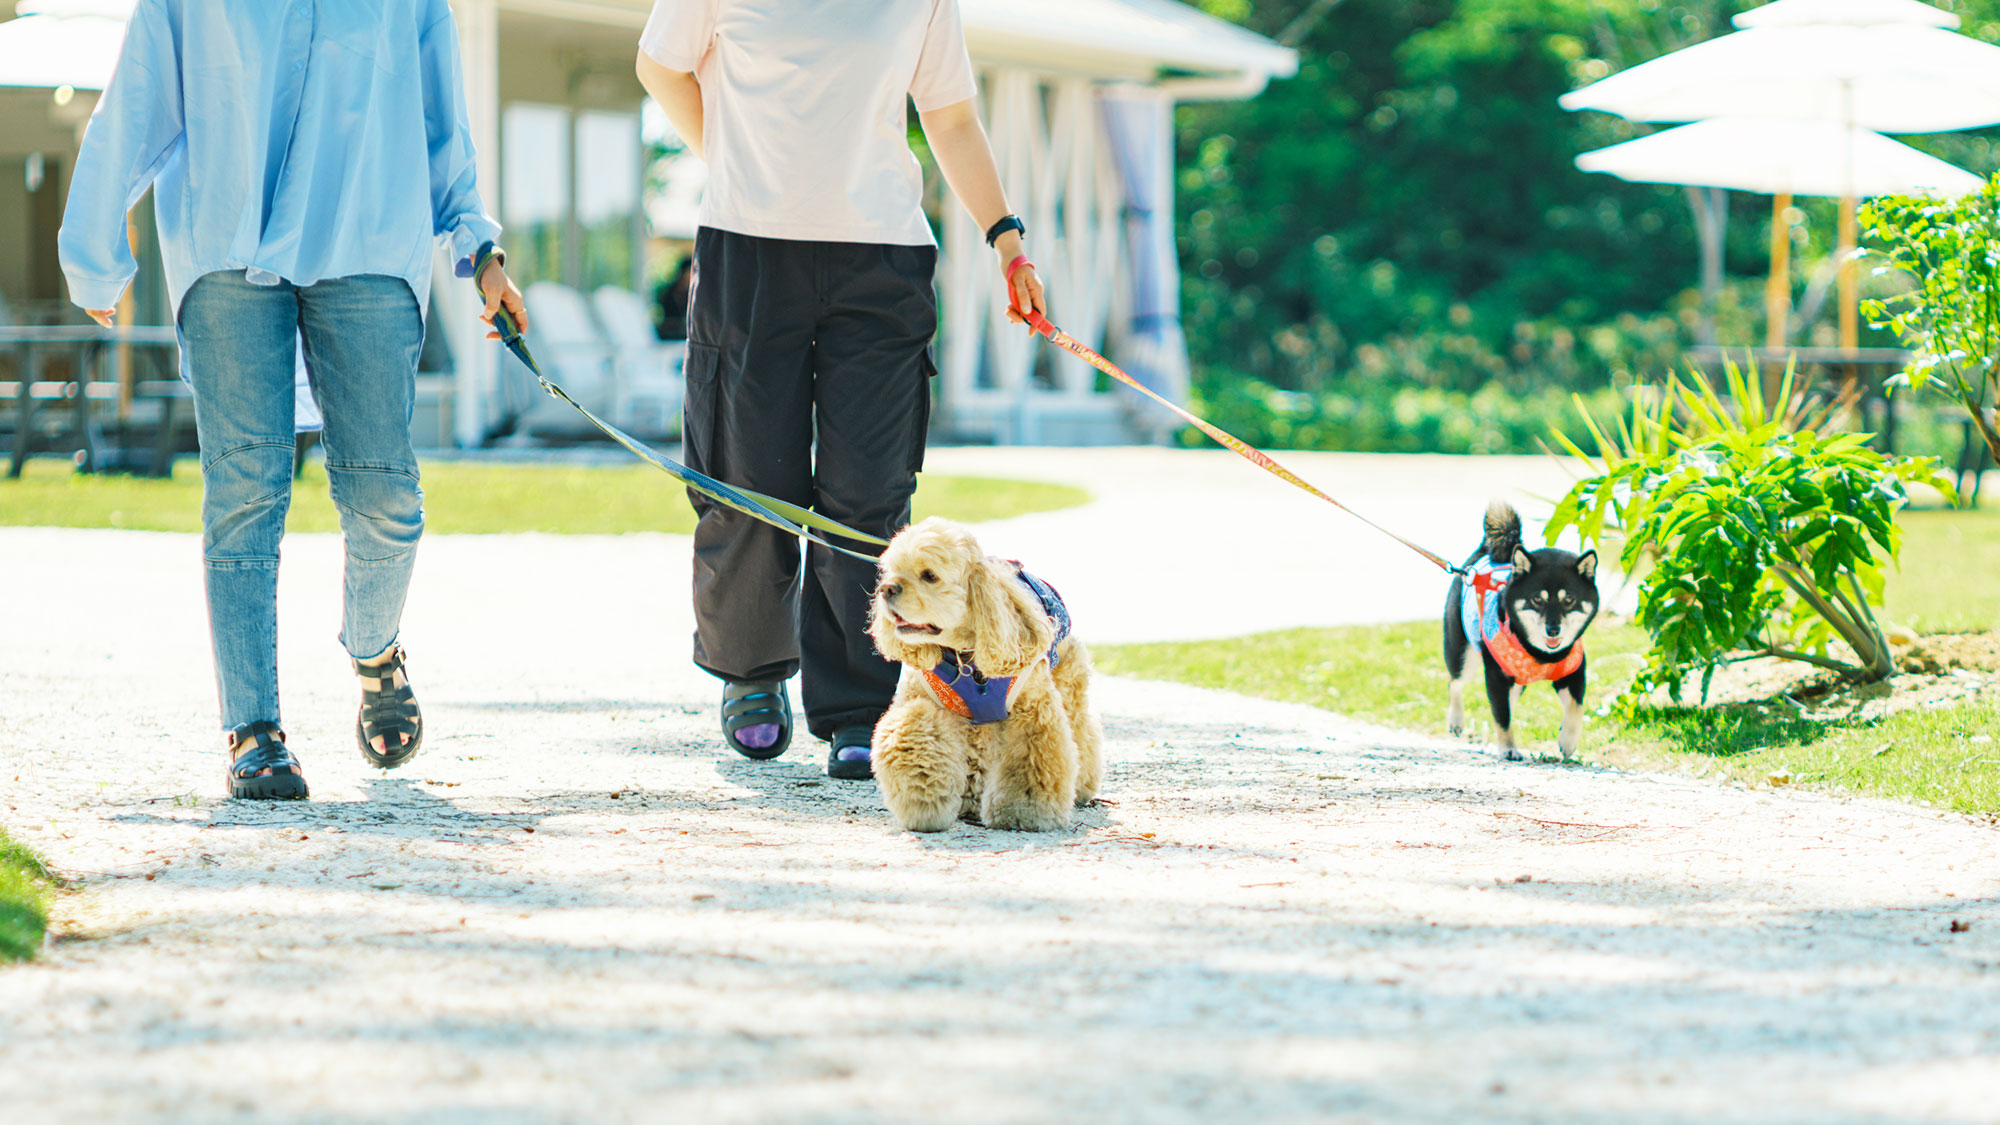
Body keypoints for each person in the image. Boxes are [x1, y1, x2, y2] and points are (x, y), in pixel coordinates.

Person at [59, 0, 528, 800]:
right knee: (245, 488)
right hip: (227, 234)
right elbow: (138, 94)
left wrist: (480, 249)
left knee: (386, 493)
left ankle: (376, 651)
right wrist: (94, 243)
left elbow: (441, 124)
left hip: (371, 236)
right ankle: (254, 730)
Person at [636, 0, 1047, 780]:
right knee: (749, 477)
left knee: (867, 491)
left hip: (882, 259)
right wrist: (726, 157)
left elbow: (951, 117)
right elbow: (658, 64)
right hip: (749, 251)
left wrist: (1006, 237)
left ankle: (859, 705)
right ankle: (752, 675)